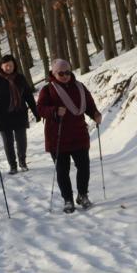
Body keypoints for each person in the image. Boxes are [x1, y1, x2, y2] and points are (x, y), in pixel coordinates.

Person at [37, 58, 101, 213]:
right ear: (54, 73)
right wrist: (54, 111)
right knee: (62, 170)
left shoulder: (79, 86)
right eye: (61, 73)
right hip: (57, 136)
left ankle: (82, 195)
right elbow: (40, 109)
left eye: (67, 72)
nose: (65, 76)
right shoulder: (48, 90)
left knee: (84, 167)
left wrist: (95, 114)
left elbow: (89, 104)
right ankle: (68, 200)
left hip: (78, 134)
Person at [0, 54, 39, 173]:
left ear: (14, 65)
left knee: (22, 140)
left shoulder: (20, 78)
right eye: (6, 65)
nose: (8, 68)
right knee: (8, 142)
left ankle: (22, 162)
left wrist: (36, 112)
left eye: (11, 65)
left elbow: (28, 96)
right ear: (1, 66)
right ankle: (12, 165)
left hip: (19, 113)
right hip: (2, 116)